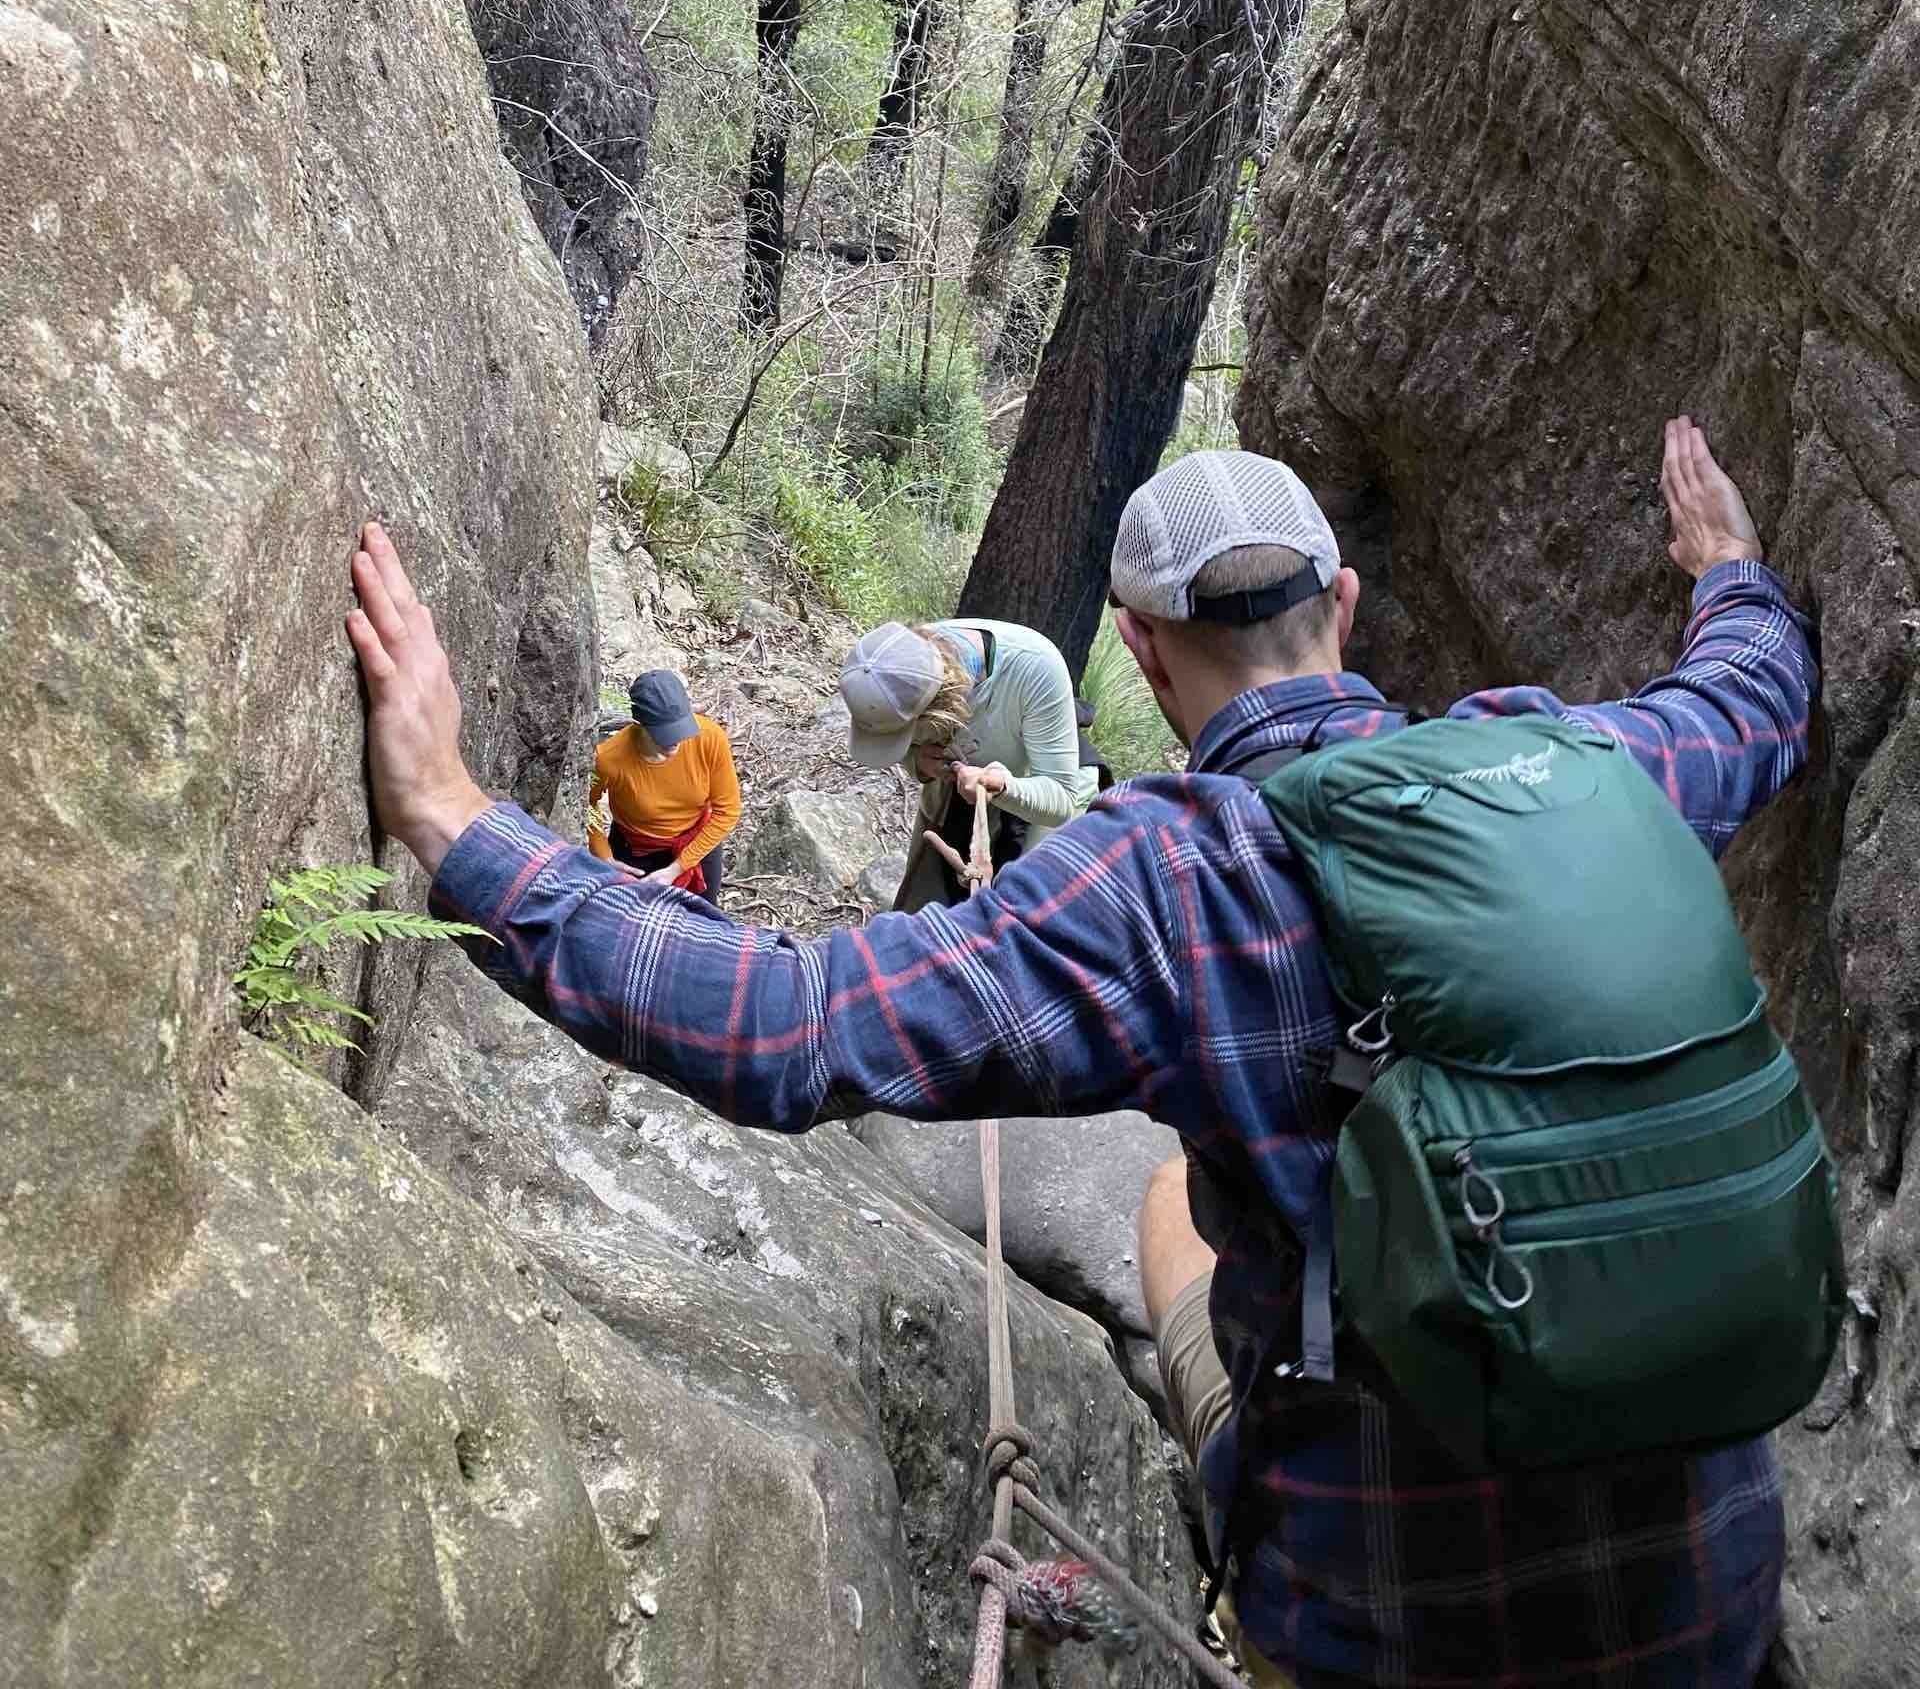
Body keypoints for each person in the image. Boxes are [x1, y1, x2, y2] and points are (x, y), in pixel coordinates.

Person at [346, 417, 1815, 1688]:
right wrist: (1729, 569)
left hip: (1386, 1628)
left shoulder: (1169, 880)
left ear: (1144, 649)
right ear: (1345, 604)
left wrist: (457, 823)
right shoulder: (1586, 768)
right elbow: (1748, 703)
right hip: (1709, 1601)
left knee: (1174, 1205)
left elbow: (790, 1026)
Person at [839, 615, 1099, 905]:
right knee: (924, 900)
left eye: (908, 736)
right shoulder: (902, 666)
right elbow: (904, 748)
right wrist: (919, 761)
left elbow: (1061, 800)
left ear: (941, 712)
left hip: (1049, 782)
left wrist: (1003, 787)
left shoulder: (1036, 667)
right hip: (966, 780)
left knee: (1023, 906)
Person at [586, 668, 739, 902]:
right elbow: (586, 805)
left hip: (697, 840)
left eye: (681, 729)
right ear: (639, 724)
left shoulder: (709, 738)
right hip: (636, 850)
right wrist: (604, 856)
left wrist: (677, 868)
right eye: (664, 734)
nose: (676, 741)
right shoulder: (609, 758)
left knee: (704, 914)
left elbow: (727, 810)